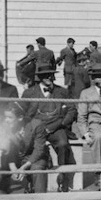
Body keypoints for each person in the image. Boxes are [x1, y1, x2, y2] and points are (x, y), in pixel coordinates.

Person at [21, 62, 77, 192]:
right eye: (45, 75)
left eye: (51, 75)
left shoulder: (62, 91)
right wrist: (29, 128)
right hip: (35, 129)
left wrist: (60, 124)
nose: (49, 77)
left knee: (63, 144)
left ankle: (62, 178)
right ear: (39, 78)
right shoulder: (29, 93)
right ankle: (29, 181)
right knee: (27, 146)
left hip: (56, 128)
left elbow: (71, 110)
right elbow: (22, 113)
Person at [3, 103, 50, 195]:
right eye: (5, 117)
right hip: (15, 158)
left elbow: (38, 150)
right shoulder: (5, 127)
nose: (6, 120)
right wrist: (13, 169)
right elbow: (8, 151)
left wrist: (23, 168)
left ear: (20, 117)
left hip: (34, 157)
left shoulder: (36, 125)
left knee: (37, 168)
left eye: (10, 117)